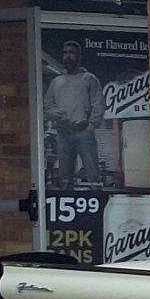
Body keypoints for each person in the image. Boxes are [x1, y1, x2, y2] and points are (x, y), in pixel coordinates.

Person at [44, 40, 105, 188]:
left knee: (93, 175)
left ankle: (98, 204)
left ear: (78, 56)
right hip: (63, 133)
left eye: (71, 52)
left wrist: (91, 125)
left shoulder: (89, 78)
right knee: (65, 177)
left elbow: (99, 104)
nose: (68, 56)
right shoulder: (56, 82)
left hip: (84, 132)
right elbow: (47, 107)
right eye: (65, 53)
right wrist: (53, 114)